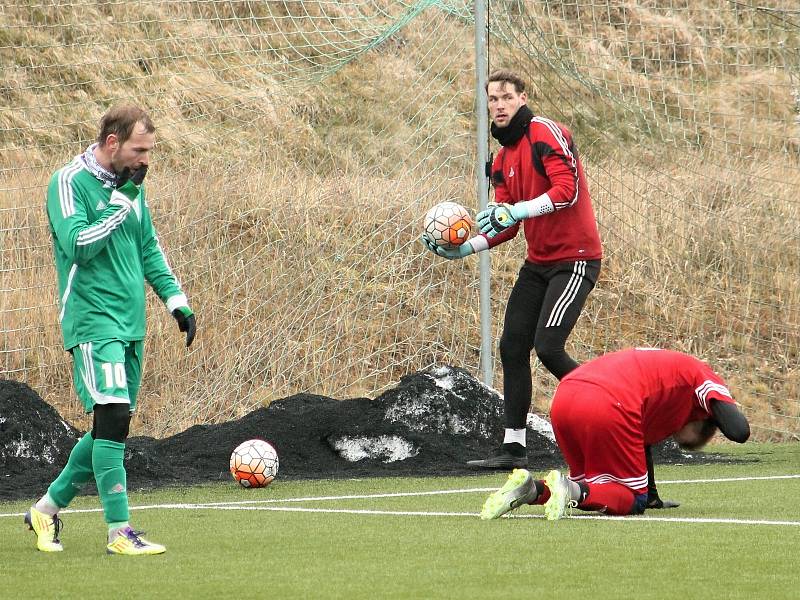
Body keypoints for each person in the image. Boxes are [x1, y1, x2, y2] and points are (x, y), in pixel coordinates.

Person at [25, 104, 196, 555]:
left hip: (130, 324)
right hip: (92, 320)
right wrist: (121, 201)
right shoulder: (67, 182)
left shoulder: (132, 189)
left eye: (150, 151)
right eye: (140, 150)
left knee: (110, 428)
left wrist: (177, 303)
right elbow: (79, 245)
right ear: (113, 142)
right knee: (113, 417)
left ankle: (45, 510)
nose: (146, 160)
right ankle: (119, 531)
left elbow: (149, 250)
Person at [479, 348, 750, 520]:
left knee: (595, 492)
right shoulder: (702, 378)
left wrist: (653, 496)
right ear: (701, 417)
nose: (669, 436)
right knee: (632, 499)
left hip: (566, 397)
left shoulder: (664, 375)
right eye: (679, 436)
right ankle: (567, 488)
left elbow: (643, 443)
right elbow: (739, 431)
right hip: (610, 402)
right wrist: (718, 408)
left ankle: (531, 490)